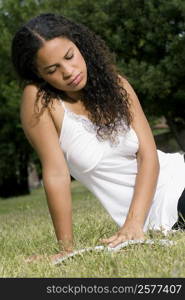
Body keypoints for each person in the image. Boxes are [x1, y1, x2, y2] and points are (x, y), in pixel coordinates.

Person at [11, 13, 185, 263]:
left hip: (178, 173)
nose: (69, 72)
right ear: (39, 75)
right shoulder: (39, 101)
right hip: (165, 210)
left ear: (80, 45)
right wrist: (66, 249)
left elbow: (148, 155)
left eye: (70, 56)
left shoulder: (117, 84)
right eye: (52, 69)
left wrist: (133, 223)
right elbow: (57, 174)